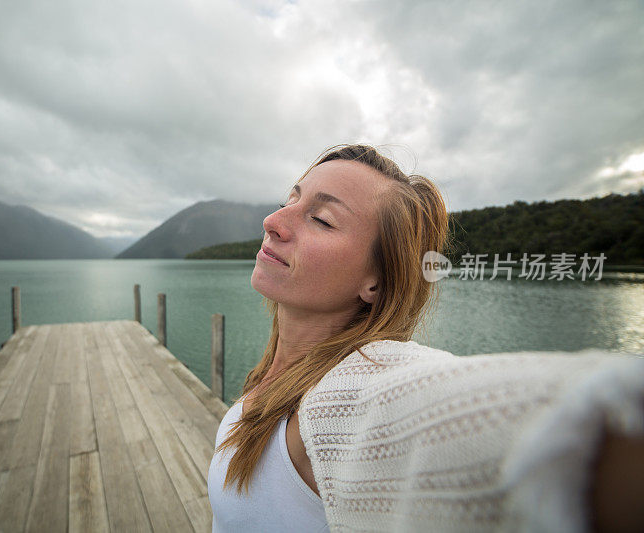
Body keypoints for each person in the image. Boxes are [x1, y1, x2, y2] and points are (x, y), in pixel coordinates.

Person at [206, 144, 644, 532]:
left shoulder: (347, 392)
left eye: (321, 219)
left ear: (376, 282)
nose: (273, 221)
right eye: (292, 198)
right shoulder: (275, 377)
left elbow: (539, 422)